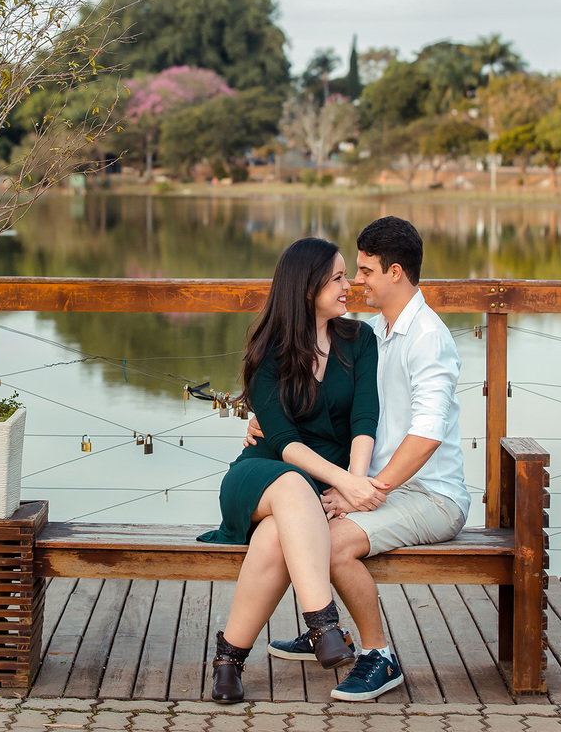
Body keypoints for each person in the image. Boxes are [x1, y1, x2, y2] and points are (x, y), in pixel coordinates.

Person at [256, 216, 471, 702]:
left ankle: (379, 656)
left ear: (396, 273)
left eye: (366, 271)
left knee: (330, 544)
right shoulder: (372, 333)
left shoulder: (428, 338)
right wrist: (264, 420)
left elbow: (427, 435)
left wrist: (364, 493)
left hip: (431, 496)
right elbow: (332, 403)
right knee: (296, 520)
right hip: (376, 487)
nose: (356, 281)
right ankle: (327, 630)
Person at [197, 237, 390, 704]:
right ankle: (323, 624)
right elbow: (283, 443)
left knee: (275, 538)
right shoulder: (268, 352)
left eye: (346, 276)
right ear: (306, 288)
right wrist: (346, 482)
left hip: (320, 483)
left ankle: (228, 660)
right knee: (290, 487)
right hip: (262, 474)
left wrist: (353, 483)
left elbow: (365, 418)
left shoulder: (358, 339)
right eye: (337, 278)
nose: (348, 286)